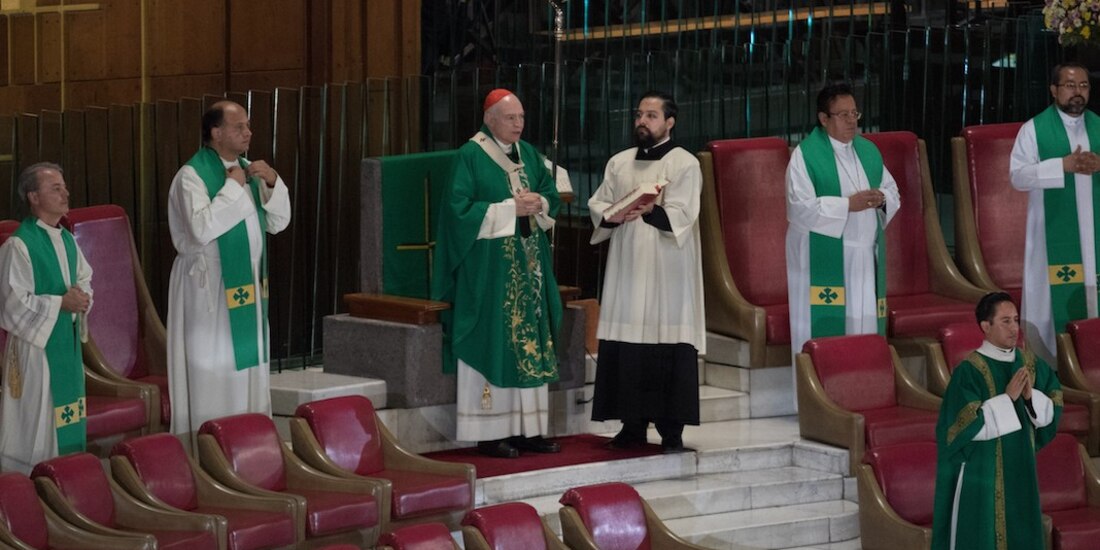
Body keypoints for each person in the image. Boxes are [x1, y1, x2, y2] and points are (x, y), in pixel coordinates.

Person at [433, 89, 563, 458]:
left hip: (530, 269)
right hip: (490, 272)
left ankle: (529, 429)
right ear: (490, 119)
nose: (519, 124)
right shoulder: (470, 156)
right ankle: (491, 432)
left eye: (522, 117)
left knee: (531, 343)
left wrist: (541, 203)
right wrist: (510, 210)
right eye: (511, 118)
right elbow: (457, 213)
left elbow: (550, 193)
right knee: (494, 340)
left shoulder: (530, 155)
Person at [167, 100, 291, 448]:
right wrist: (234, 189)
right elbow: (201, 229)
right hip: (207, 291)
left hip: (247, 287)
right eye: (240, 127)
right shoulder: (191, 176)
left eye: (248, 126)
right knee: (214, 375)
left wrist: (272, 183)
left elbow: (278, 224)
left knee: (245, 375)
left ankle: (249, 448)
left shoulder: (248, 169)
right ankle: (211, 452)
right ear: (215, 132)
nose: (248, 132)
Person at [587, 91, 705, 453]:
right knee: (628, 345)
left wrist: (652, 209)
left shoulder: (684, 163)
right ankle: (631, 426)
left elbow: (685, 214)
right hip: (627, 265)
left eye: (651, 116)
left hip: (667, 267)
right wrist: (611, 214)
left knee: (666, 345)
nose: (642, 121)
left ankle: (672, 432)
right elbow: (598, 203)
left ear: (670, 122)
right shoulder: (619, 162)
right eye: (639, 114)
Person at [931, 292, 1062, 550]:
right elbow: (959, 427)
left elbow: (1054, 403)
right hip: (981, 473)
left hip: (1021, 467)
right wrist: (1007, 398)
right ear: (985, 326)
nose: (1015, 328)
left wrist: (1029, 397)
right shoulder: (968, 370)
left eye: (1015, 320)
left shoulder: (1030, 363)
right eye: (1005, 321)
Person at [786, 83, 900, 367]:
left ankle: (863, 391)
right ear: (824, 119)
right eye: (843, 114)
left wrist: (881, 197)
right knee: (827, 331)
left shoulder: (868, 151)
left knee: (864, 327)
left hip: (865, 258)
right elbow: (799, 208)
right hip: (823, 259)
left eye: (854, 113)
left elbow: (892, 191)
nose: (852, 121)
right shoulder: (805, 155)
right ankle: (819, 401)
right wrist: (848, 204)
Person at [0, 162, 93, 474]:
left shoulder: (66, 239)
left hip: (65, 345)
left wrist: (82, 297)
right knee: (39, 425)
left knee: (66, 421)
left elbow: (85, 278)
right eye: (56, 188)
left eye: (64, 187)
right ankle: (33, 484)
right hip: (36, 350)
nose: (65, 193)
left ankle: (67, 484)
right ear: (33, 197)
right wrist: (60, 303)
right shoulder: (18, 245)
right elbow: (13, 303)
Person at [1010, 62, 1100, 363]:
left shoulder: (1099, 126)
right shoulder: (1033, 130)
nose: (1078, 93)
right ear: (1054, 89)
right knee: (1052, 301)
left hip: (1096, 238)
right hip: (1052, 238)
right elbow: (1018, 176)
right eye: (1071, 85)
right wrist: (1062, 166)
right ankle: (1053, 368)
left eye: (1084, 86)